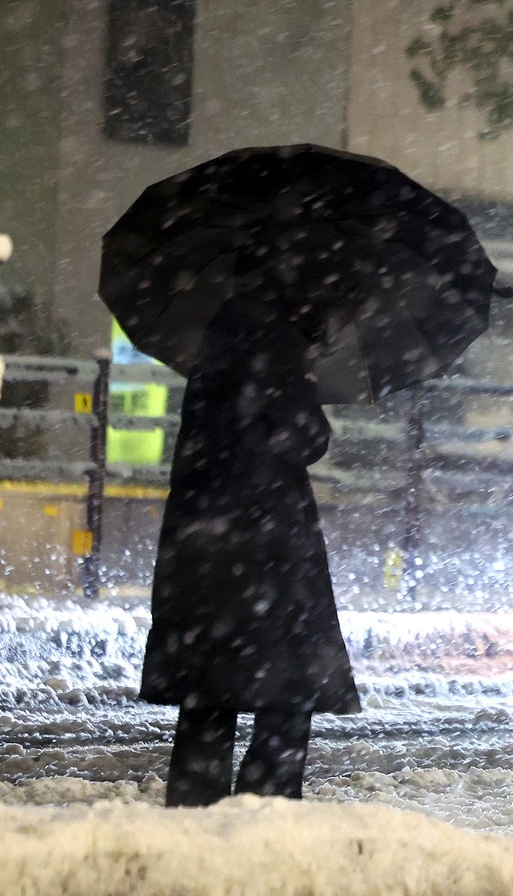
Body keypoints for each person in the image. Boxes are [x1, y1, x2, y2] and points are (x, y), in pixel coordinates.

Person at [140, 295, 360, 807]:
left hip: (206, 538)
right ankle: (266, 815)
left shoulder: (220, 339)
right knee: (286, 693)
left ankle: (195, 813)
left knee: (209, 693)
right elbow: (304, 438)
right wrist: (306, 389)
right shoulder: (280, 341)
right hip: (267, 544)